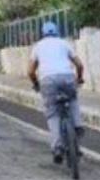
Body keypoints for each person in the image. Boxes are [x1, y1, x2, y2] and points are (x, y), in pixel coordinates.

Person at [27, 21, 85, 164]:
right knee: (72, 100)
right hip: (67, 77)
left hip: (47, 81)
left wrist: (35, 83)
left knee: (53, 114)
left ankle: (57, 148)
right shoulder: (64, 43)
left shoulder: (38, 46)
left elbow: (30, 71)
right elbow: (79, 64)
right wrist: (80, 78)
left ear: (43, 33)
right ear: (57, 31)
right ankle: (77, 125)